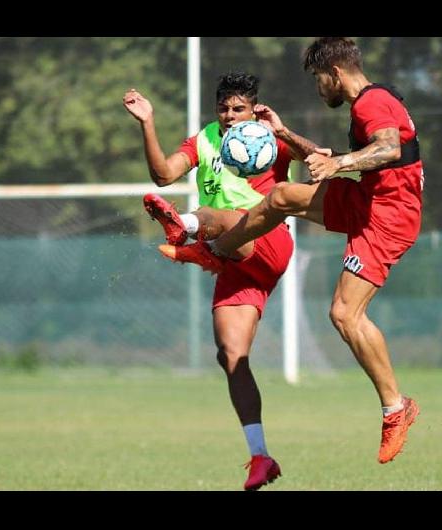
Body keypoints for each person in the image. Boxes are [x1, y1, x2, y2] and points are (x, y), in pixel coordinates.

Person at [176, 37, 424, 464]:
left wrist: (339, 164)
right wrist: (284, 133)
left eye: (317, 80)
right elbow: (355, 157)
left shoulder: (371, 102)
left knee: (345, 314)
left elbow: (389, 148)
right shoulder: (370, 101)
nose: (318, 89)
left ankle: (395, 407)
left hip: (387, 216)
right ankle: (215, 250)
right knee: (281, 197)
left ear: (334, 73)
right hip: (369, 200)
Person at [123, 72, 315, 490]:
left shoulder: (267, 134)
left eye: (238, 108)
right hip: (231, 259)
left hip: (267, 240)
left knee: (209, 217)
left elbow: (318, 159)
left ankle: (185, 226)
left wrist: (283, 131)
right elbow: (162, 176)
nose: (230, 116)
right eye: (224, 108)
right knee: (231, 356)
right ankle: (261, 456)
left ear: (253, 108)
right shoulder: (205, 139)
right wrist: (148, 122)